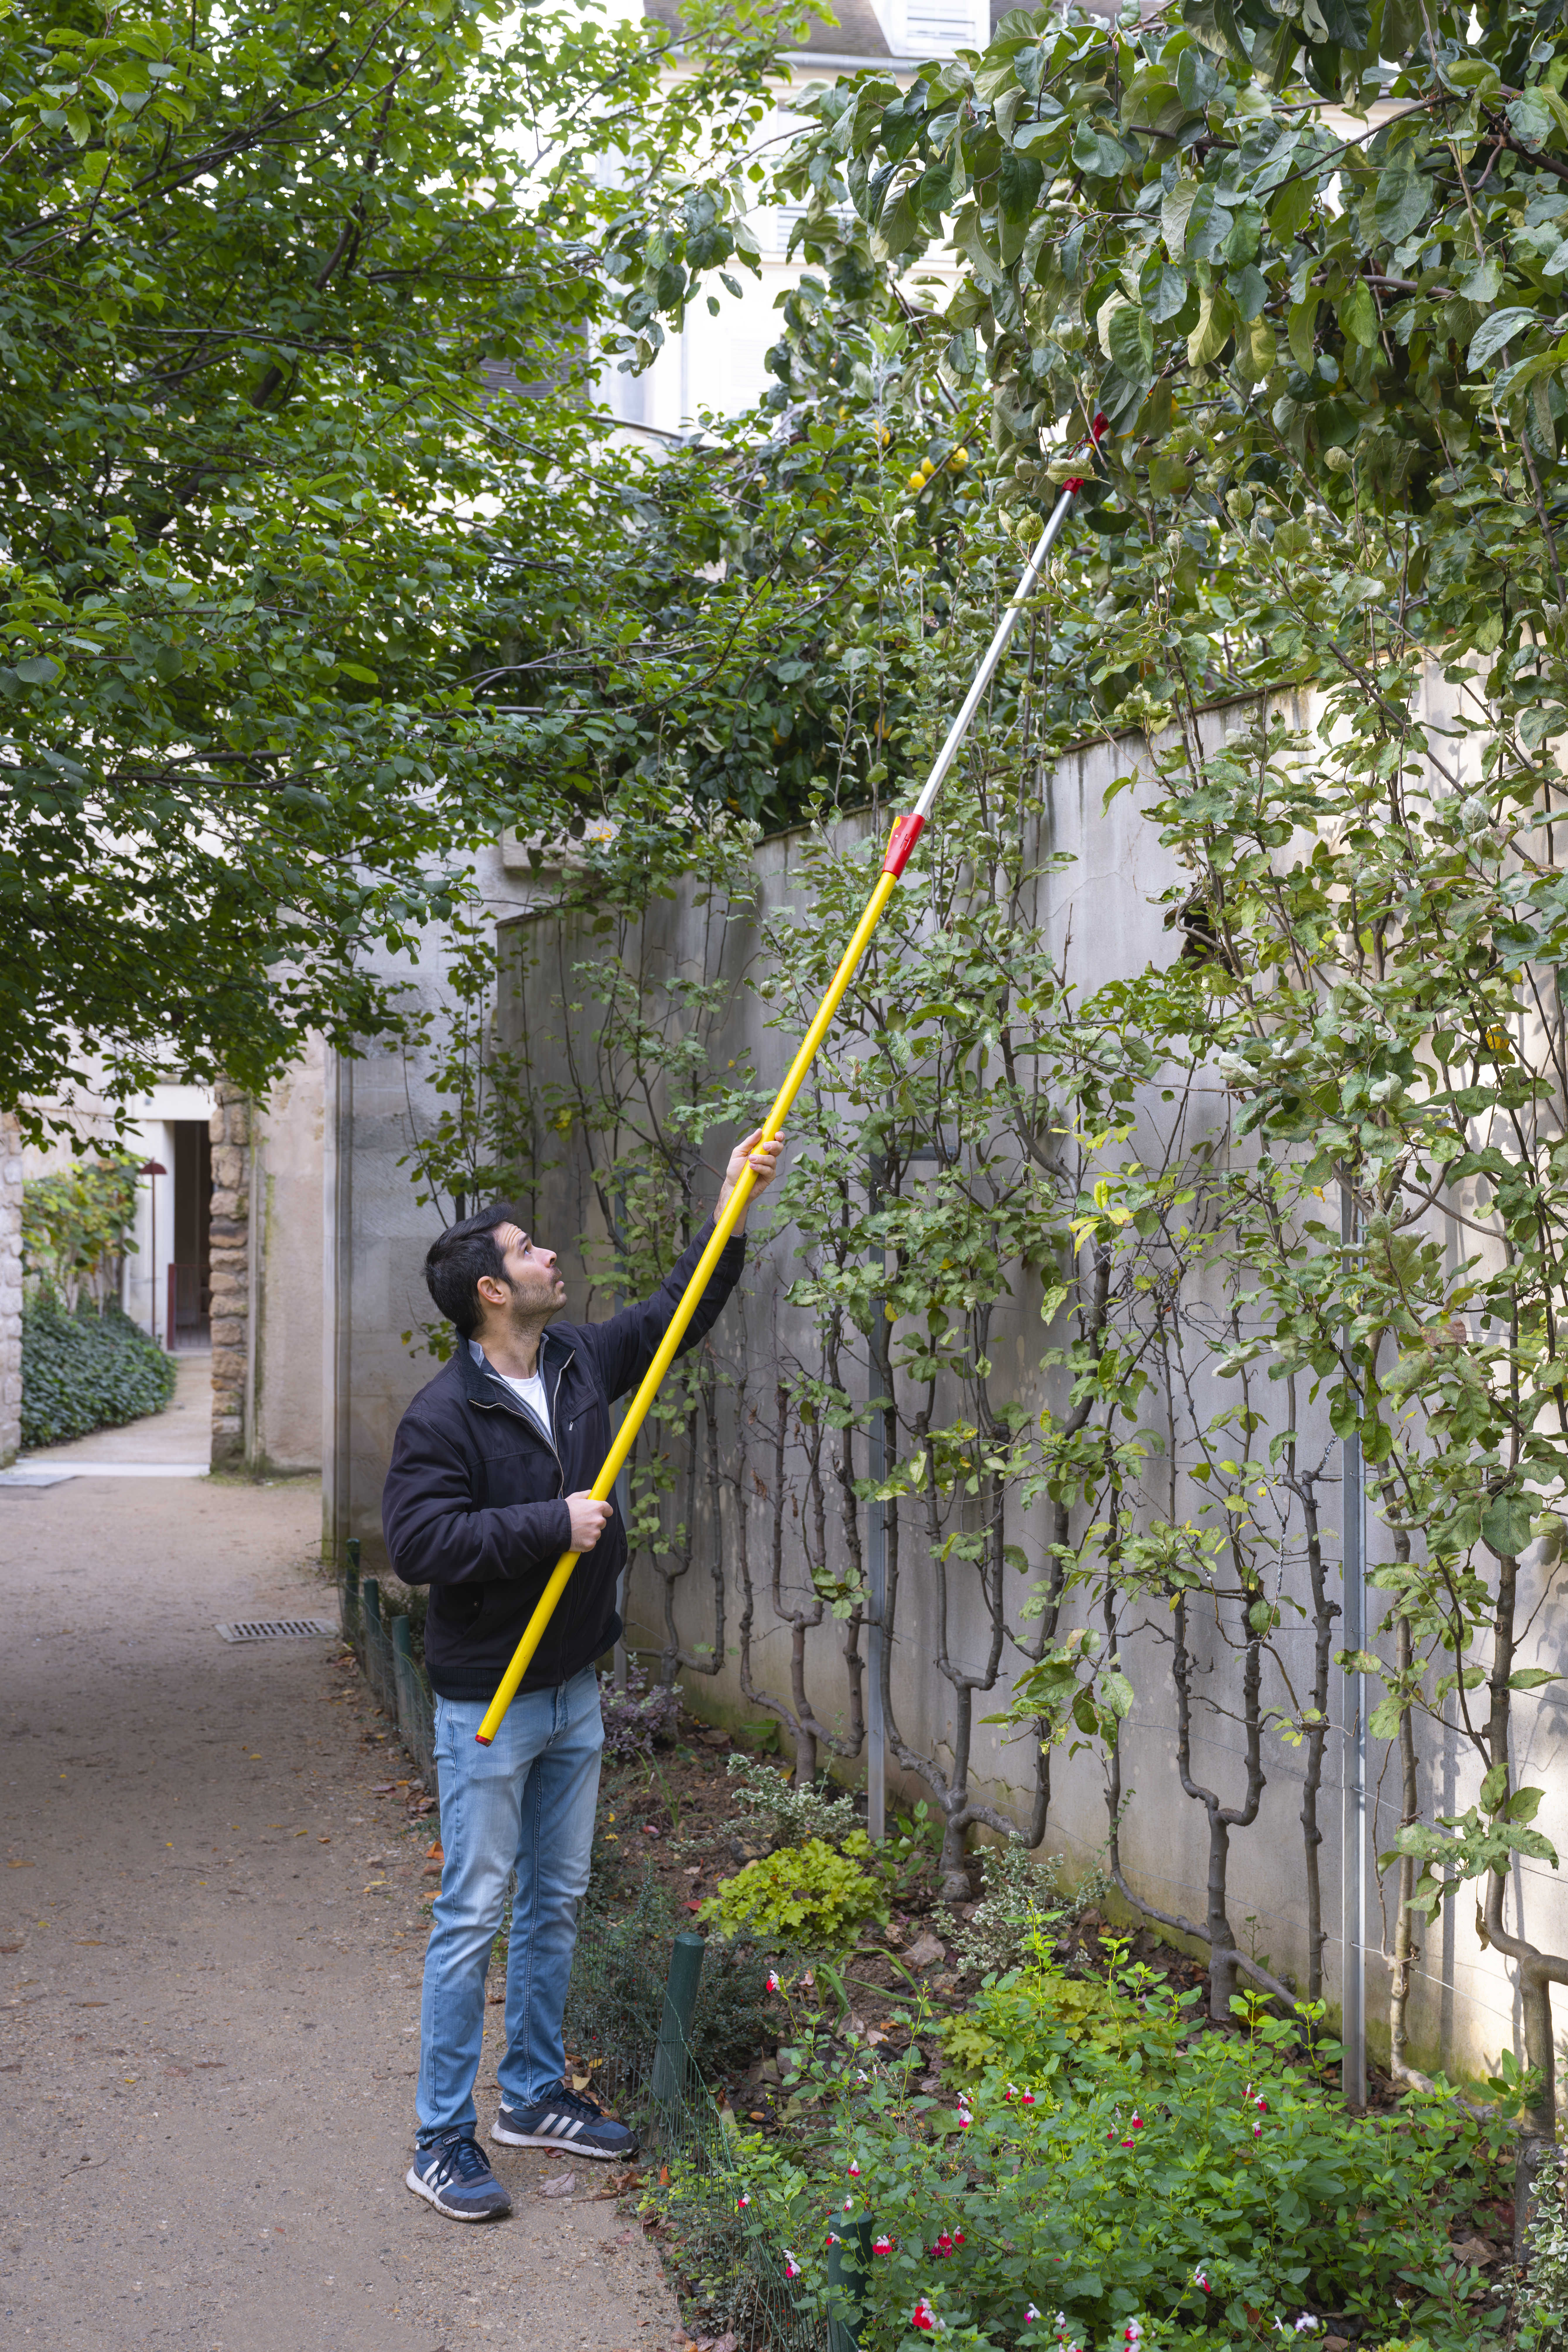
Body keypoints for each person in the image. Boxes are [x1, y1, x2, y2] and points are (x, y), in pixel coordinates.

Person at [381, 1128, 783, 2223]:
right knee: (473, 1913)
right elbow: (420, 1547)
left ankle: (532, 2096)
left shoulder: (576, 1363)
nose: (551, 1256)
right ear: (489, 1291)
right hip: (490, 1701)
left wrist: (733, 1202)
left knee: (554, 1900)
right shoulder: (442, 1415)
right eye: (529, 1249)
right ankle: (440, 2139)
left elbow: (678, 1310)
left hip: (572, 1690)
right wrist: (546, 1524)